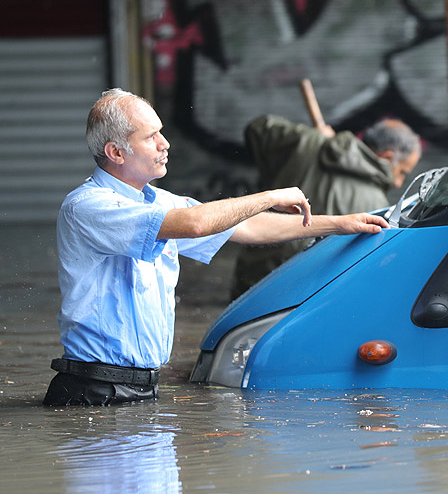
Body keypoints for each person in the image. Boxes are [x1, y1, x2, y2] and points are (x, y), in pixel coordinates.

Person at [45, 89, 390, 406]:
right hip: (94, 391)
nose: (165, 144)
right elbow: (197, 223)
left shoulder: (157, 201)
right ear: (116, 152)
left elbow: (245, 226)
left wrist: (339, 224)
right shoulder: (89, 206)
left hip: (137, 388)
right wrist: (270, 195)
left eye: (161, 132)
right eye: (151, 136)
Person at [231, 114, 421, 297]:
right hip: (301, 295)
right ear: (387, 158)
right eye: (402, 172)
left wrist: (307, 136)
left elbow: (256, 128)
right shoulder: (377, 207)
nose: (398, 182)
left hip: (251, 282)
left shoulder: (306, 143)